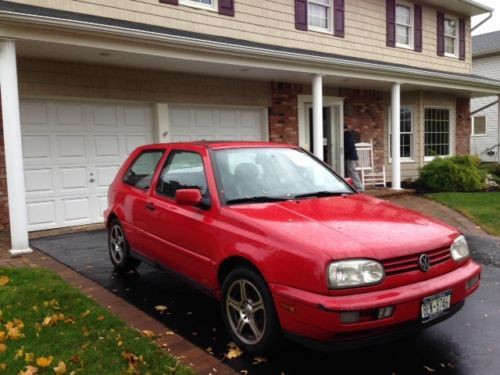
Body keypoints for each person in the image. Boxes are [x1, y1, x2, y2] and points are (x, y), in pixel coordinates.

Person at [343, 124, 364, 191]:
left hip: (350, 157)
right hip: (353, 156)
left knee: (352, 171)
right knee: (351, 171)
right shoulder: (349, 135)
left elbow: (348, 148)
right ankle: (353, 186)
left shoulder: (346, 135)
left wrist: (343, 154)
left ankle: (359, 187)